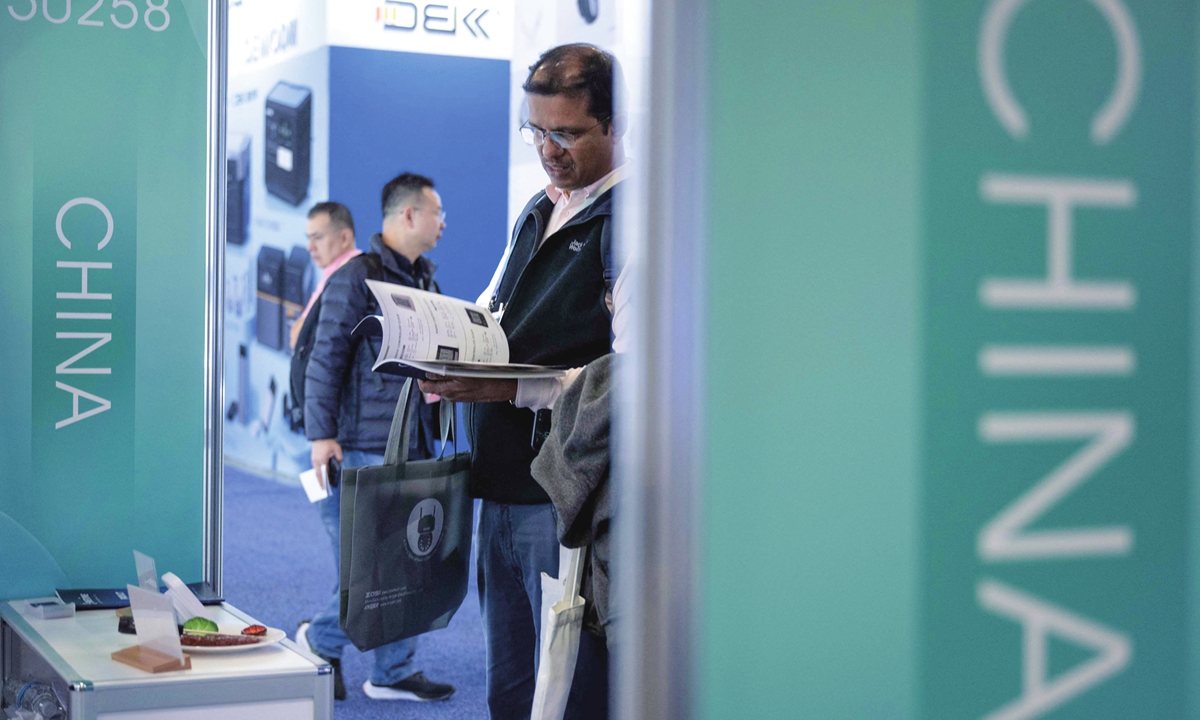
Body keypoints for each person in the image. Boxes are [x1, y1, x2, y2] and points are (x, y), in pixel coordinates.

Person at [419, 44, 627, 720]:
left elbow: (633, 382)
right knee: (509, 684)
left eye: (565, 132)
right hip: (500, 485)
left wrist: (510, 389)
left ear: (614, 123)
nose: (547, 148)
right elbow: (495, 310)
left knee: (564, 687)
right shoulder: (540, 209)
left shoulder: (633, 224)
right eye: (535, 131)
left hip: (565, 501)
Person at [297, 174, 454, 703]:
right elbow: (325, 360)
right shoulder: (358, 276)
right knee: (368, 569)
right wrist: (321, 436)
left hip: (411, 444)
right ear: (408, 215)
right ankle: (319, 638)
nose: (443, 221)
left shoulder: (423, 278)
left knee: (408, 564)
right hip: (359, 445)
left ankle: (394, 670)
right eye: (436, 211)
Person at [289, 202, 361, 350]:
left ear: (345, 238)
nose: (310, 247)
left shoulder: (343, 277)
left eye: (318, 237)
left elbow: (298, 339)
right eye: (309, 238)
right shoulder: (349, 271)